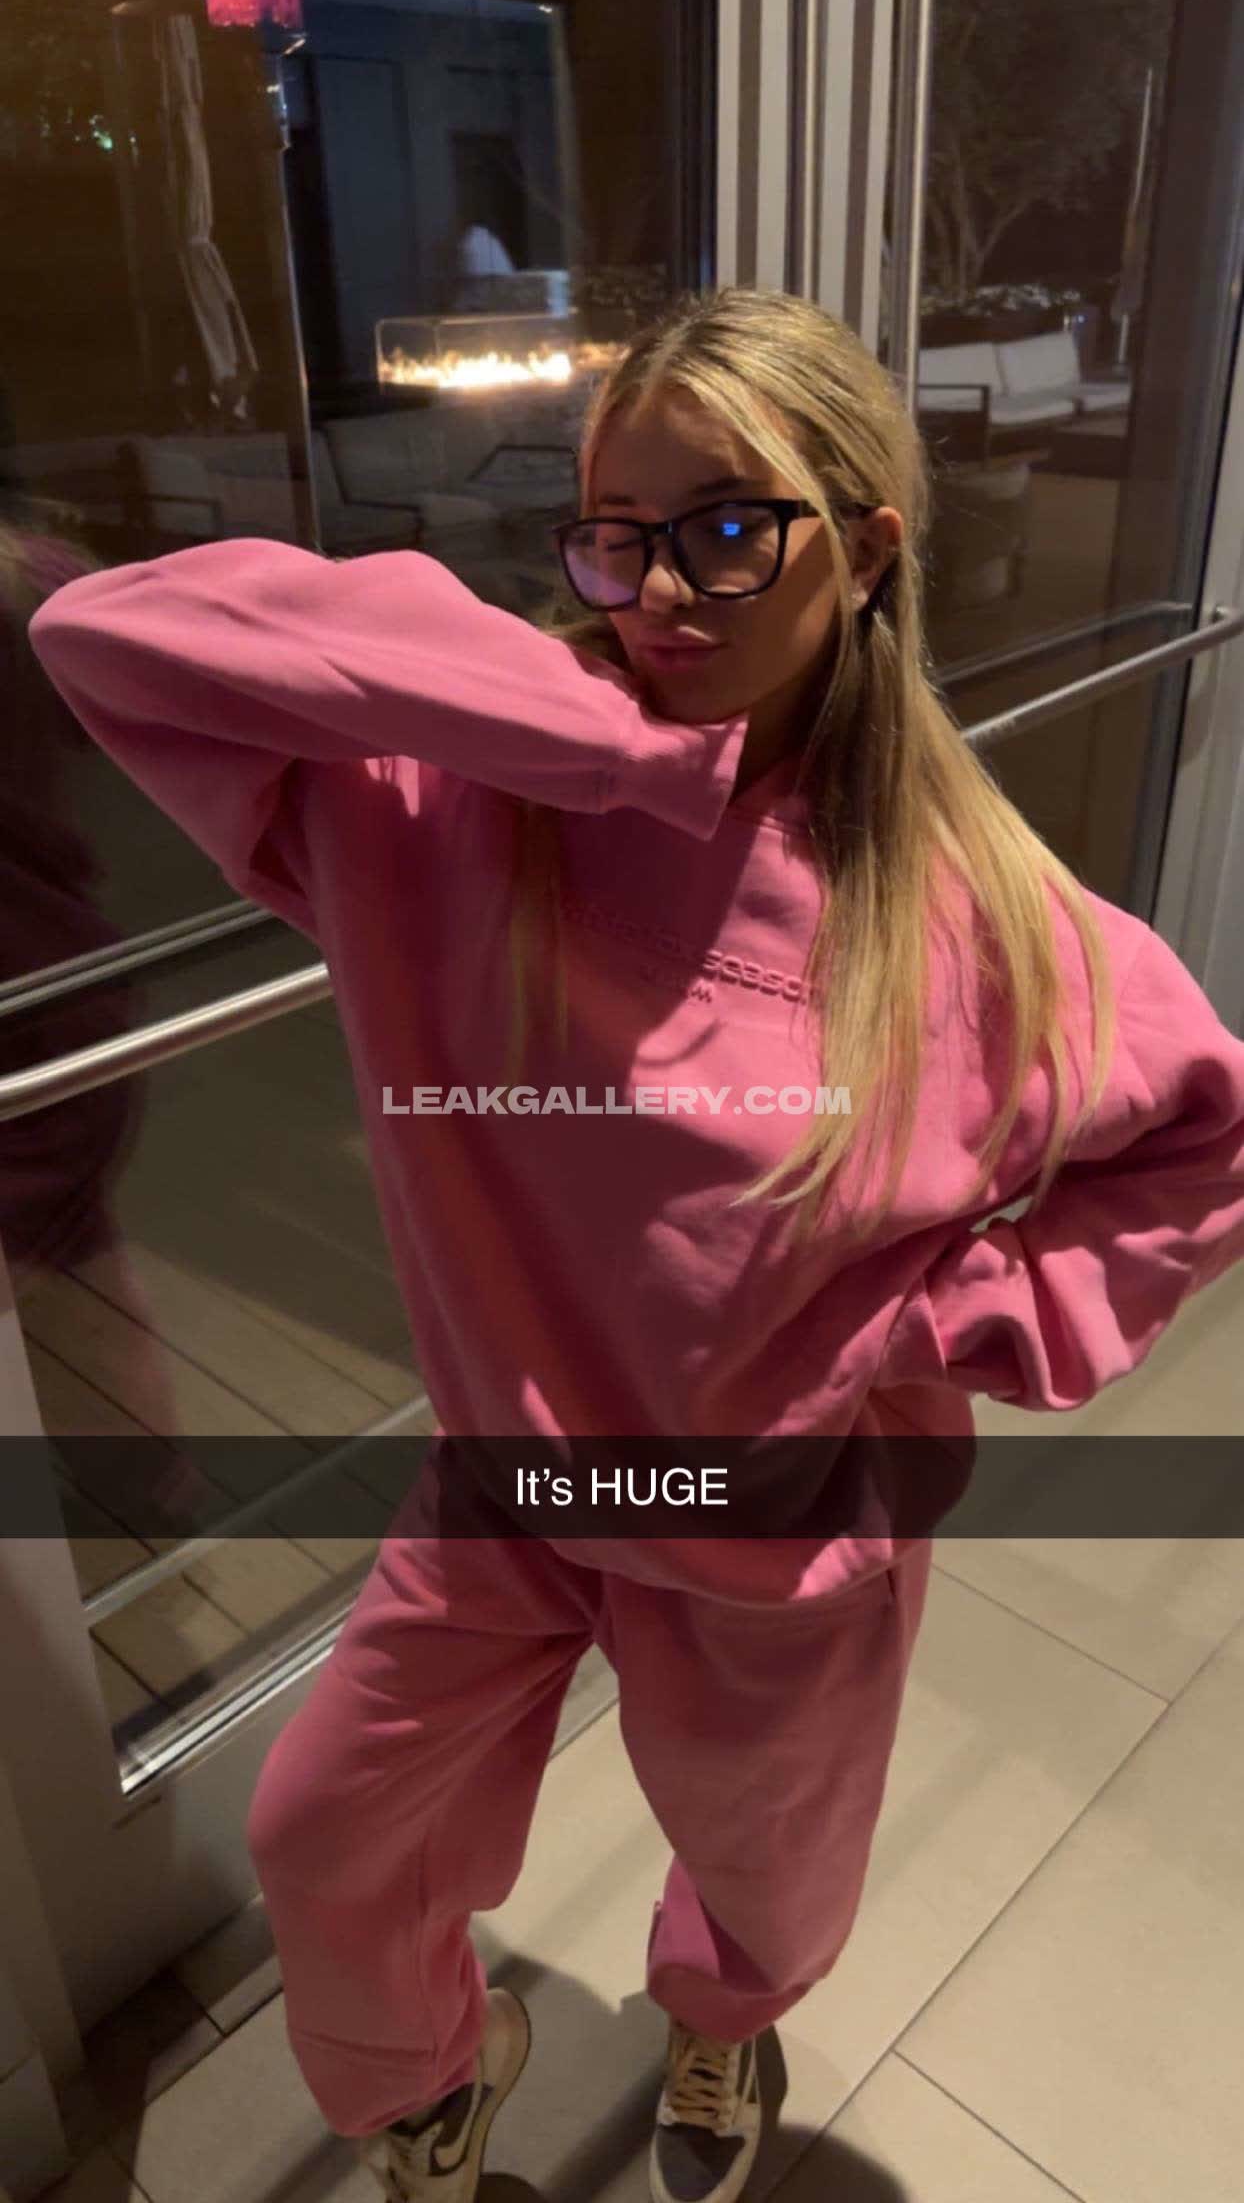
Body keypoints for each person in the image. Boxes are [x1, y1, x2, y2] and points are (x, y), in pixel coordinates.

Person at [28, 286, 1244, 2203]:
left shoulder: (968, 921)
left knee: (763, 1874)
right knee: (331, 1830)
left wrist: (959, 1319)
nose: (658, 594)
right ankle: (436, 2082)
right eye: (614, 534)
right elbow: (108, 638)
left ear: (866, 548)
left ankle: (722, 2021)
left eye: (729, 529)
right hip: (508, 1480)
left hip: (774, 1527)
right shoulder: (449, 808)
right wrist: (588, 734)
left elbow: (1205, 1132)